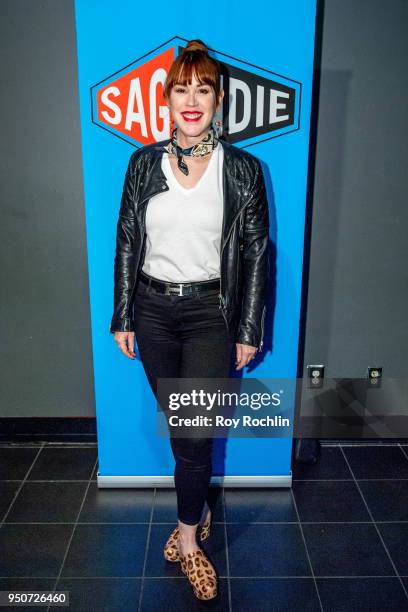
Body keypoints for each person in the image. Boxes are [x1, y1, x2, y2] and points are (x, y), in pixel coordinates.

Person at [110, 38, 270, 601]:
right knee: (183, 431)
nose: (192, 99)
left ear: (219, 98)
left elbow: (255, 253)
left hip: (210, 315)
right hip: (152, 313)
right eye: (182, 89)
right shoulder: (141, 163)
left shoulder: (244, 170)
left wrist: (249, 329)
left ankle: (188, 540)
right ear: (169, 99)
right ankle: (194, 508)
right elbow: (128, 240)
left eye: (203, 89)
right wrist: (122, 312)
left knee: (195, 433)